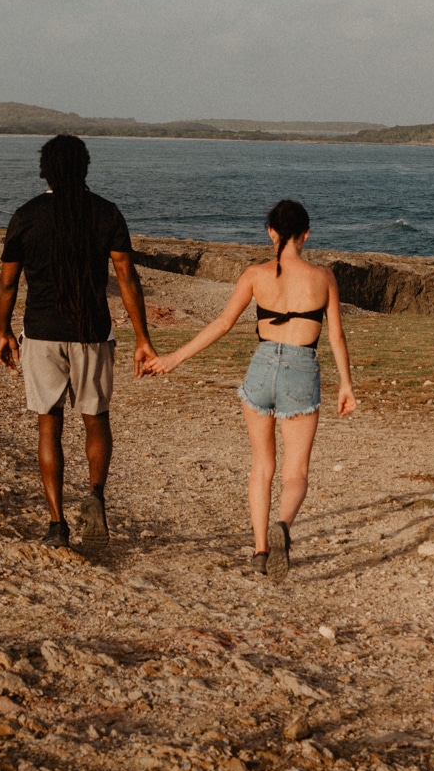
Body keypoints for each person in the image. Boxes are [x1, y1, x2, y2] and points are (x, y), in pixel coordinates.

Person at [144, 199, 357, 576]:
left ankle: (260, 551)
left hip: (260, 368)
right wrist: (346, 385)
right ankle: (283, 527)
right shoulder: (323, 276)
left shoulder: (255, 274)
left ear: (271, 232)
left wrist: (174, 358)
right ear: (306, 234)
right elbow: (337, 336)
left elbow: (223, 323)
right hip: (301, 368)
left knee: (262, 467)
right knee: (296, 473)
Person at [0, 134, 158, 549]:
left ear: (44, 169)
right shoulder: (106, 213)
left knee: (49, 425)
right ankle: (96, 496)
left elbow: (8, 283)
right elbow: (126, 278)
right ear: (85, 167)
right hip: (93, 333)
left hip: (42, 333)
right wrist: (143, 337)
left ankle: (57, 526)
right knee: (96, 418)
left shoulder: (26, 216)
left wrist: (3, 331)